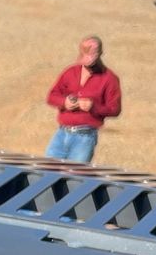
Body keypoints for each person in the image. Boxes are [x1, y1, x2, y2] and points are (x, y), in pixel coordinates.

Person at [44, 36, 122, 164]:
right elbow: (51, 96)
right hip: (61, 133)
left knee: (74, 178)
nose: (88, 56)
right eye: (85, 52)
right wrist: (65, 102)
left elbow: (115, 109)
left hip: (85, 137)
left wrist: (94, 107)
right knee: (46, 172)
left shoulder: (109, 78)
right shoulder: (70, 72)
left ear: (100, 53)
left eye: (93, 53)